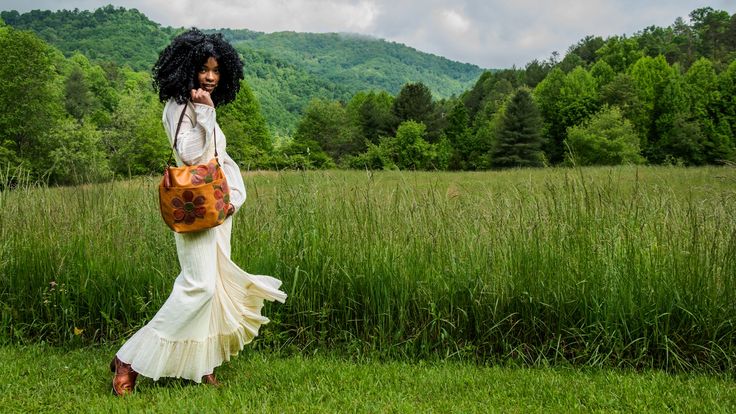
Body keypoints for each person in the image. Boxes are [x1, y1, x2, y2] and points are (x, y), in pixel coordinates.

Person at [110, 28, 287, 396]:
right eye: (203, 69)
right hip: (195, 209)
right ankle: (129, 359)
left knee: (215, 285)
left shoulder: (205, 103)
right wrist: (206, 115)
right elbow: (192, 157)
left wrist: (235, 194)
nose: (209, 76)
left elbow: (218, 158)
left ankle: (201, 363)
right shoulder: (180, 106)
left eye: (216, 70)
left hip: (218, 208)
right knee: (198, 285)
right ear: (186, 68)